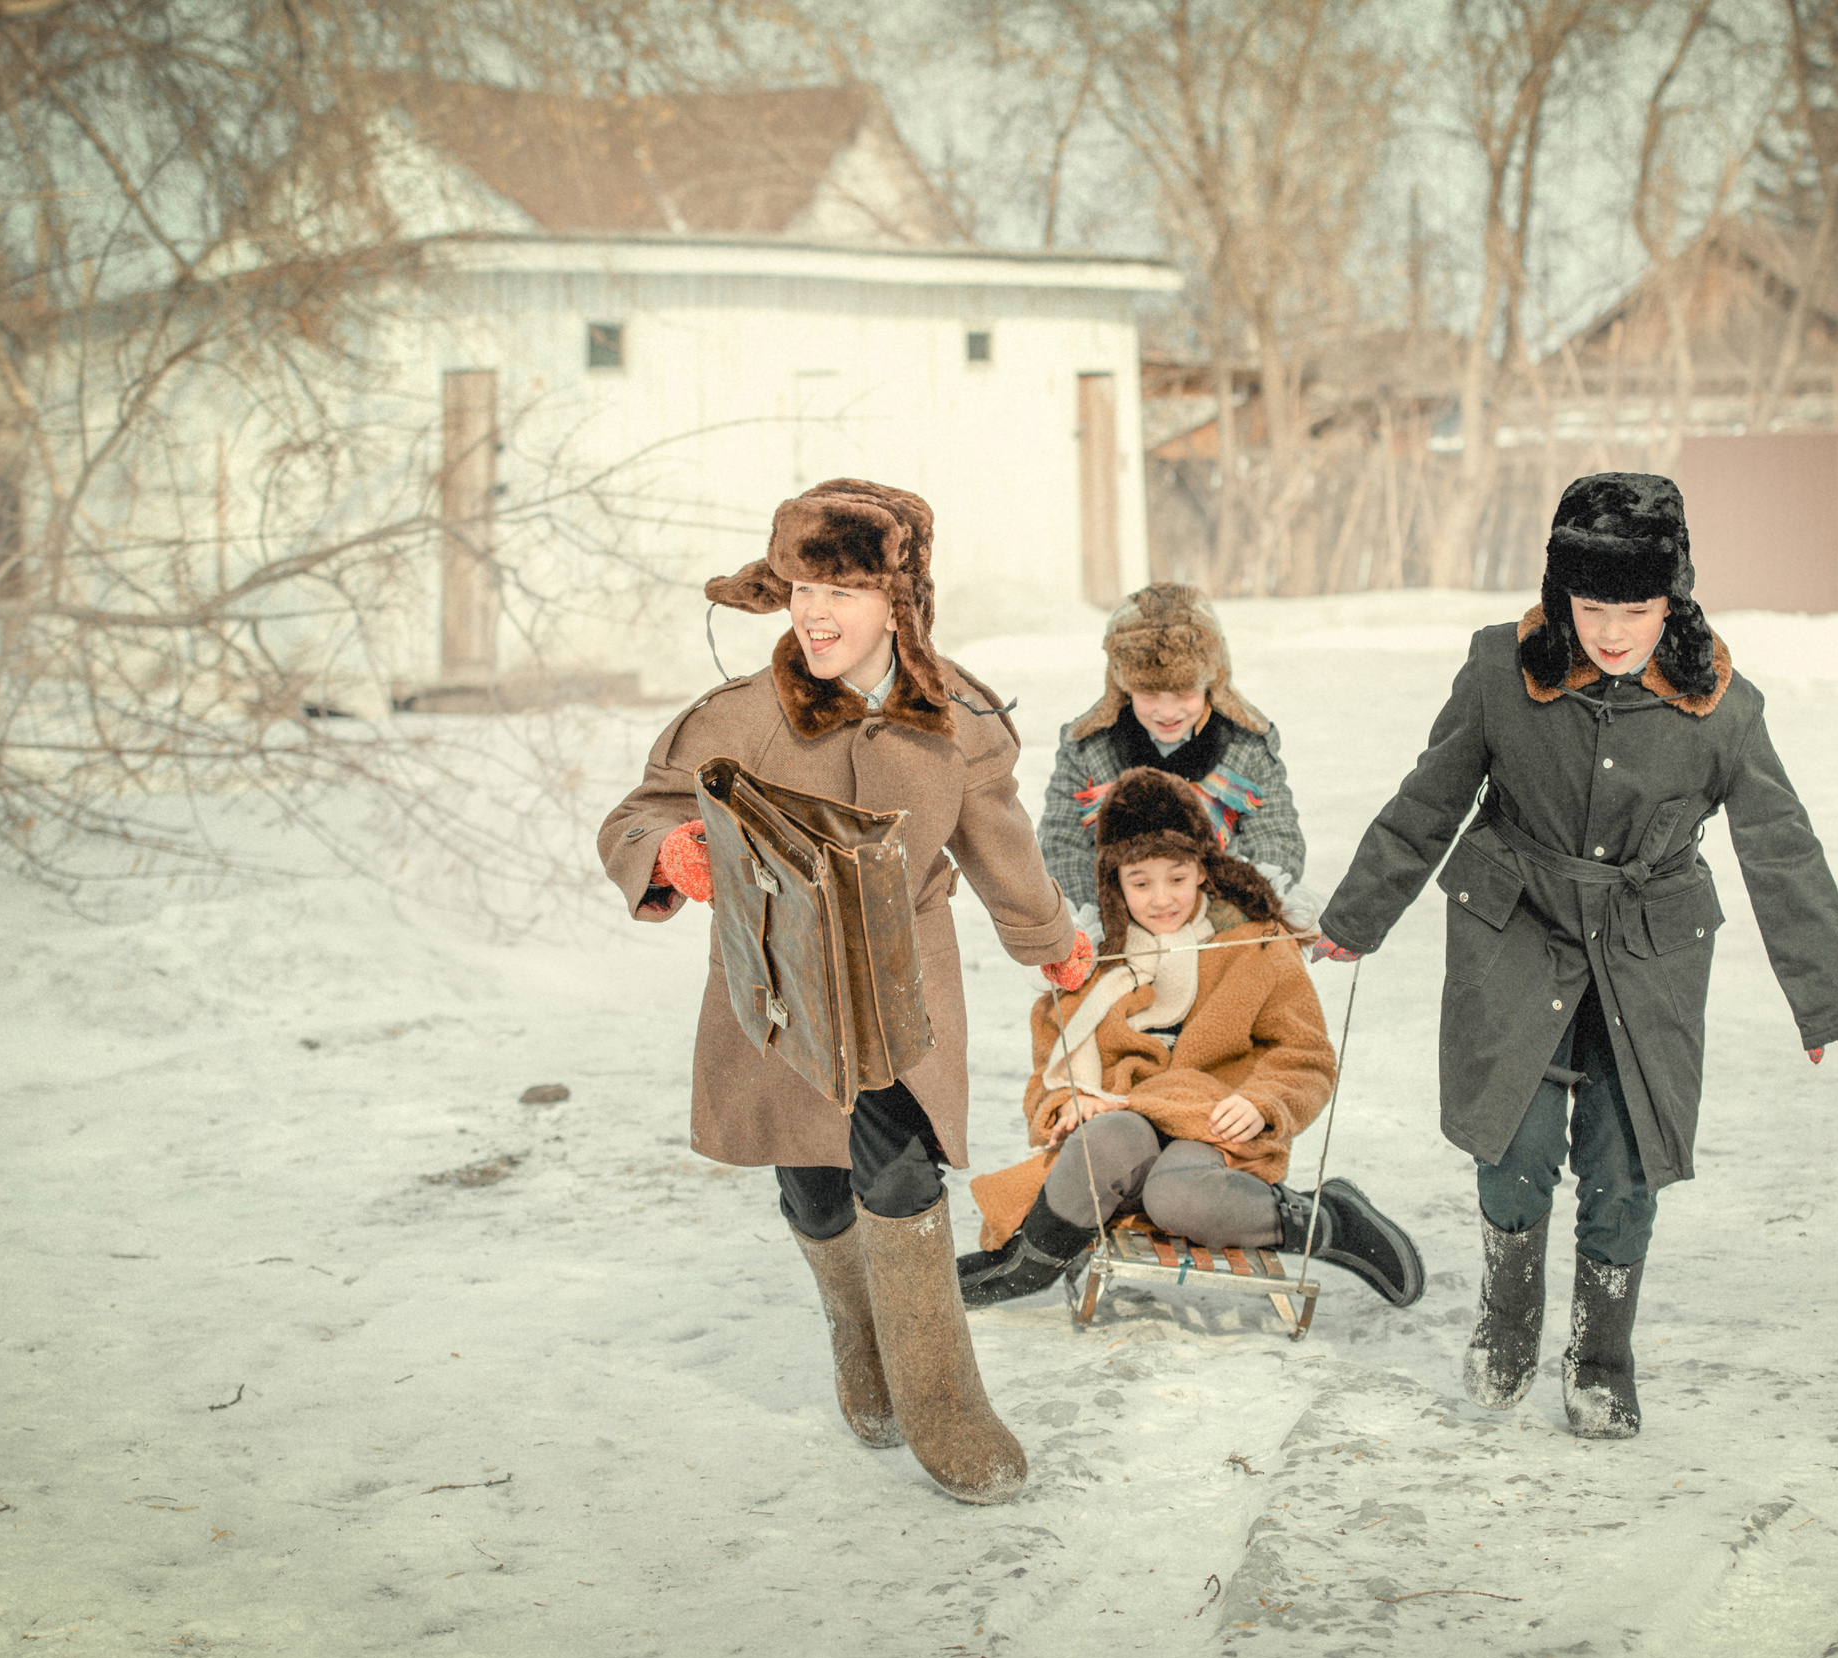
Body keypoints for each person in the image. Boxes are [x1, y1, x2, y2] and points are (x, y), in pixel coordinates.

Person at [1310, 472, 1838, 1439]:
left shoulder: (1724, 708)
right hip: (1517, 930)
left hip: (1646, 949)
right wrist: (1356, 914)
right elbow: (1428, 800)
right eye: (1591, 609)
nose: (1613, 633)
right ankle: (1507, 1320)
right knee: (1515, 1150)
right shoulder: (1500, 672)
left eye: (1636, 610)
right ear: (1560, 595)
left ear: (1674, 601)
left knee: (1626, 1167)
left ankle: (1602, 1356)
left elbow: (1783, 852)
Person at [596, 478, 1094, 1505]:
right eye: (800, 589)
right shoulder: (740, 718)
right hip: (781, 986)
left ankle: (944, 1404)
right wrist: (672, 852)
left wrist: (1050, 938)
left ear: (899, 603)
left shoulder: (956, 718)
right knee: (815, 1185)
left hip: (904, 983)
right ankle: (862, 1351)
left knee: (902, 1174)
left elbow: (998, 843)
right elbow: (634, 818)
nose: (814, 615)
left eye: (842, 592)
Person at [961, 766, 1424, 1311]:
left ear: (1203, 868)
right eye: (1140, 883)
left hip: (1211, 1128)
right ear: (1114, 881)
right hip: (1124, 1125)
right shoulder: (1098, 956)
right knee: (1104, 1139)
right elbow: (1052, 1053)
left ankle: (1328, 1221)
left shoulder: (1254, 944)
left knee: (1177, 1197)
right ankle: (1030, 1261)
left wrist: (1263, 1102)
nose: (1161, 898)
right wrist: (1067, 1100)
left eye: (1177, 878)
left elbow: (1304, 1054)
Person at [1036, 584, 1310, 930]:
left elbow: (1276, 837)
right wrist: (1108, 915)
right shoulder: (1088, 749)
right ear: (1124, 687)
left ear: (1211, 684)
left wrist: (1224, 912)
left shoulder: (1246, 746)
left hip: (1218, 918)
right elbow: (1063, 845)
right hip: (1121, 918)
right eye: (1149, 693)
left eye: (1184, 692)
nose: (1167, 712)